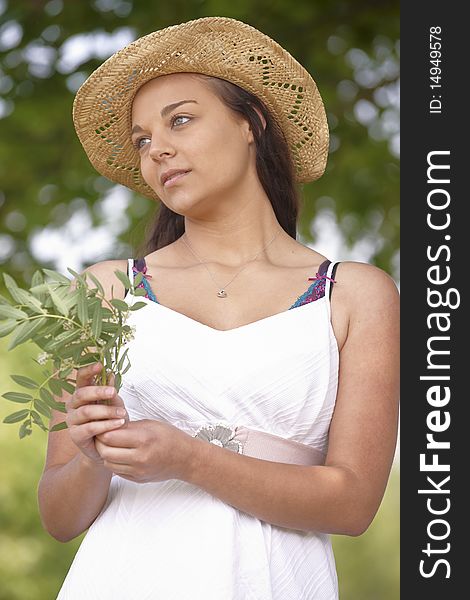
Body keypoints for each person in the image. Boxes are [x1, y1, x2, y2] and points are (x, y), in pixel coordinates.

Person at [37, 16, 399, 600]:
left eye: (180, 119)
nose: (159, 150)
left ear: (250, 121)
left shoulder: (356, 294)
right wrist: (89, 458)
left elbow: (353, 503)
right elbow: (59, 518)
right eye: (142, 140)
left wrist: (188, 458)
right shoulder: (104, 292)